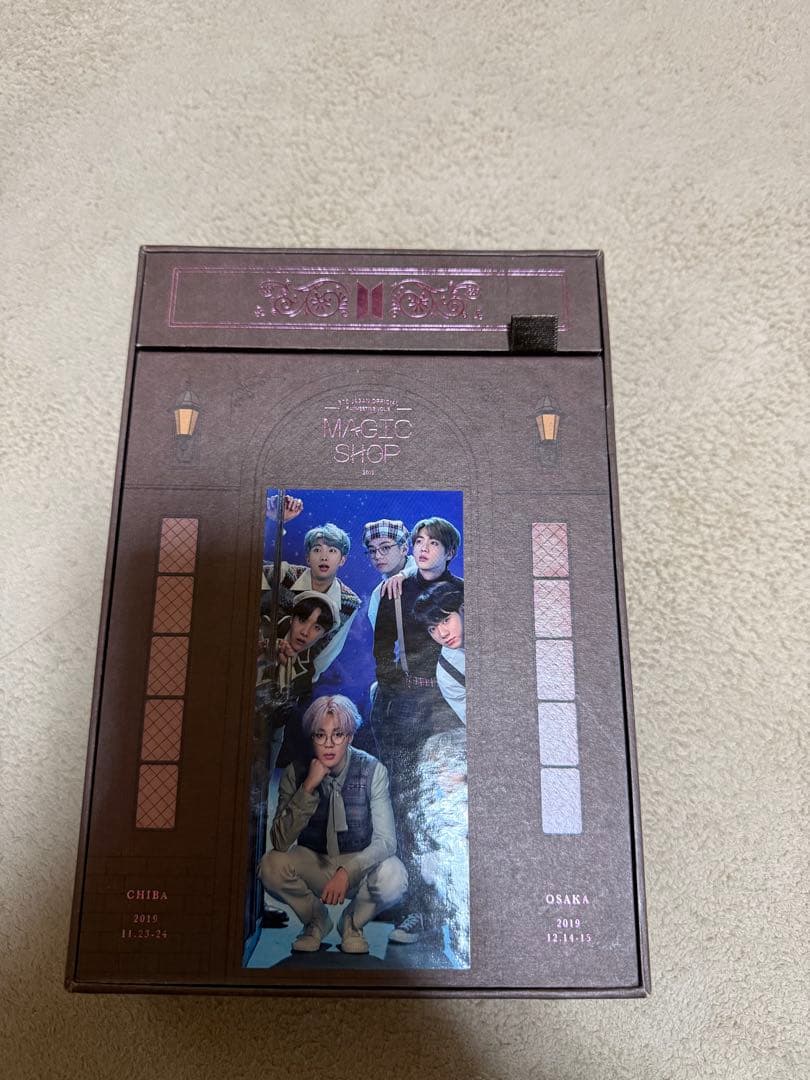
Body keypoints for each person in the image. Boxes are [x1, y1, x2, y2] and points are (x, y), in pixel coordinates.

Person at [369, 516, 465, 944]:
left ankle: (448, 902)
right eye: (419, 542)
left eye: (434, 543)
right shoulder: (396, 589)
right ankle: (414, 906)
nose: (424, 549)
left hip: (449, 707)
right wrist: (393, 682)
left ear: (449, 551)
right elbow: (381, 646)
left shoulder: (463, 591)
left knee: (446, 802)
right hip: (407, 703)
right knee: (406, 802)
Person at [259, 696, 407, 955]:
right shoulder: (296, 772)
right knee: (271, 865)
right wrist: (308, 787)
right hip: (313, 860)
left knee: (394, 875)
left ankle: (352, 924)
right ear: (312, 737)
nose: (328, 744)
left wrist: (346, 872)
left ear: (350, 736)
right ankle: (315, 921)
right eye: (320, 735)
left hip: (357, 862)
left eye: (337, 734)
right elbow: (281, 842)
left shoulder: (373, 770)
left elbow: (386, 841)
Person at [261, 520, 361, 681]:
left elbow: (327, 654)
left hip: (295, 676)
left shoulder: (349, 603)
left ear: (342, 560)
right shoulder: (285, 574)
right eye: (317, 550)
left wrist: (299, 678)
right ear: (308, 558)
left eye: (332, 551)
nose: (324, 557)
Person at [412, 580, 466, 724]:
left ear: (463, 610)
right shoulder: (447, 674)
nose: (442, 634)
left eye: (446, 620)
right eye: (432, 629)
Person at [362, 518, 416, 630]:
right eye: (372, 551)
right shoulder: (378, 595)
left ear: (404, 549)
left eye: (385, 548)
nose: (377, 556)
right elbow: (383, 638)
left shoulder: (429, 573)